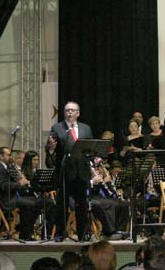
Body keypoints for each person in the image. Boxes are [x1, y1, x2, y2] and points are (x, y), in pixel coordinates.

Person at [49, 101, 94, 241]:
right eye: (67, 110)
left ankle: (82, 234)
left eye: (72, 110)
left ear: (78, 113)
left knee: (82, 205)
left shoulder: (86, 128)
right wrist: (51, 147)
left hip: (81, 172)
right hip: (65, 172)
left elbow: (90, 147)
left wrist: (94, 158)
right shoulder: (57, 128)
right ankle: (60, 233)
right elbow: (50, 148)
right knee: (62, 206)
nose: (70, 113)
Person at [0, 147, 41, 240]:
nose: (10, 157)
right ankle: (26, 235)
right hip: (5, 200)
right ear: (1, 156)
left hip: (12, 197)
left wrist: (20, 178)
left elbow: (12, 182)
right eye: (8, 155)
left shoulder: (8, 168)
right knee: (31, 204)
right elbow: (4, 186)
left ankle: (26, 233)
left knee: (36, 202)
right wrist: (19, 183)